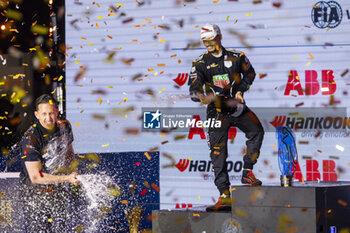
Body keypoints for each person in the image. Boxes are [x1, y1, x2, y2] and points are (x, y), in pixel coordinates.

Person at [188, 24, 264, 211]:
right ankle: (224, 195)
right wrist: (199, 96)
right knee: (217, 153)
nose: (208, 45)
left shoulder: (237, 57)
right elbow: (193, 88)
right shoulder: (200, 63)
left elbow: (250, 73)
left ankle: (247, 172)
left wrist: (240, 91)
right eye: (204, 41)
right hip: (216, 111)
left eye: (211, 40)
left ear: (220, 37)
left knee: (256, 130)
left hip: (235, 106)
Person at [19, 94, 80, 232]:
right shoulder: (30, 139)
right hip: (33, 194)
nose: (48, 118)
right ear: (37, 115)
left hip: (57, 189)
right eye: (44, 114)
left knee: (60, 229)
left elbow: (69, 151)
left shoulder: (65, 126)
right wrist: (66, 178)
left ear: (57, 112)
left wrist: (72, 169)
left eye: (51, 113)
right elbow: (36, 177)